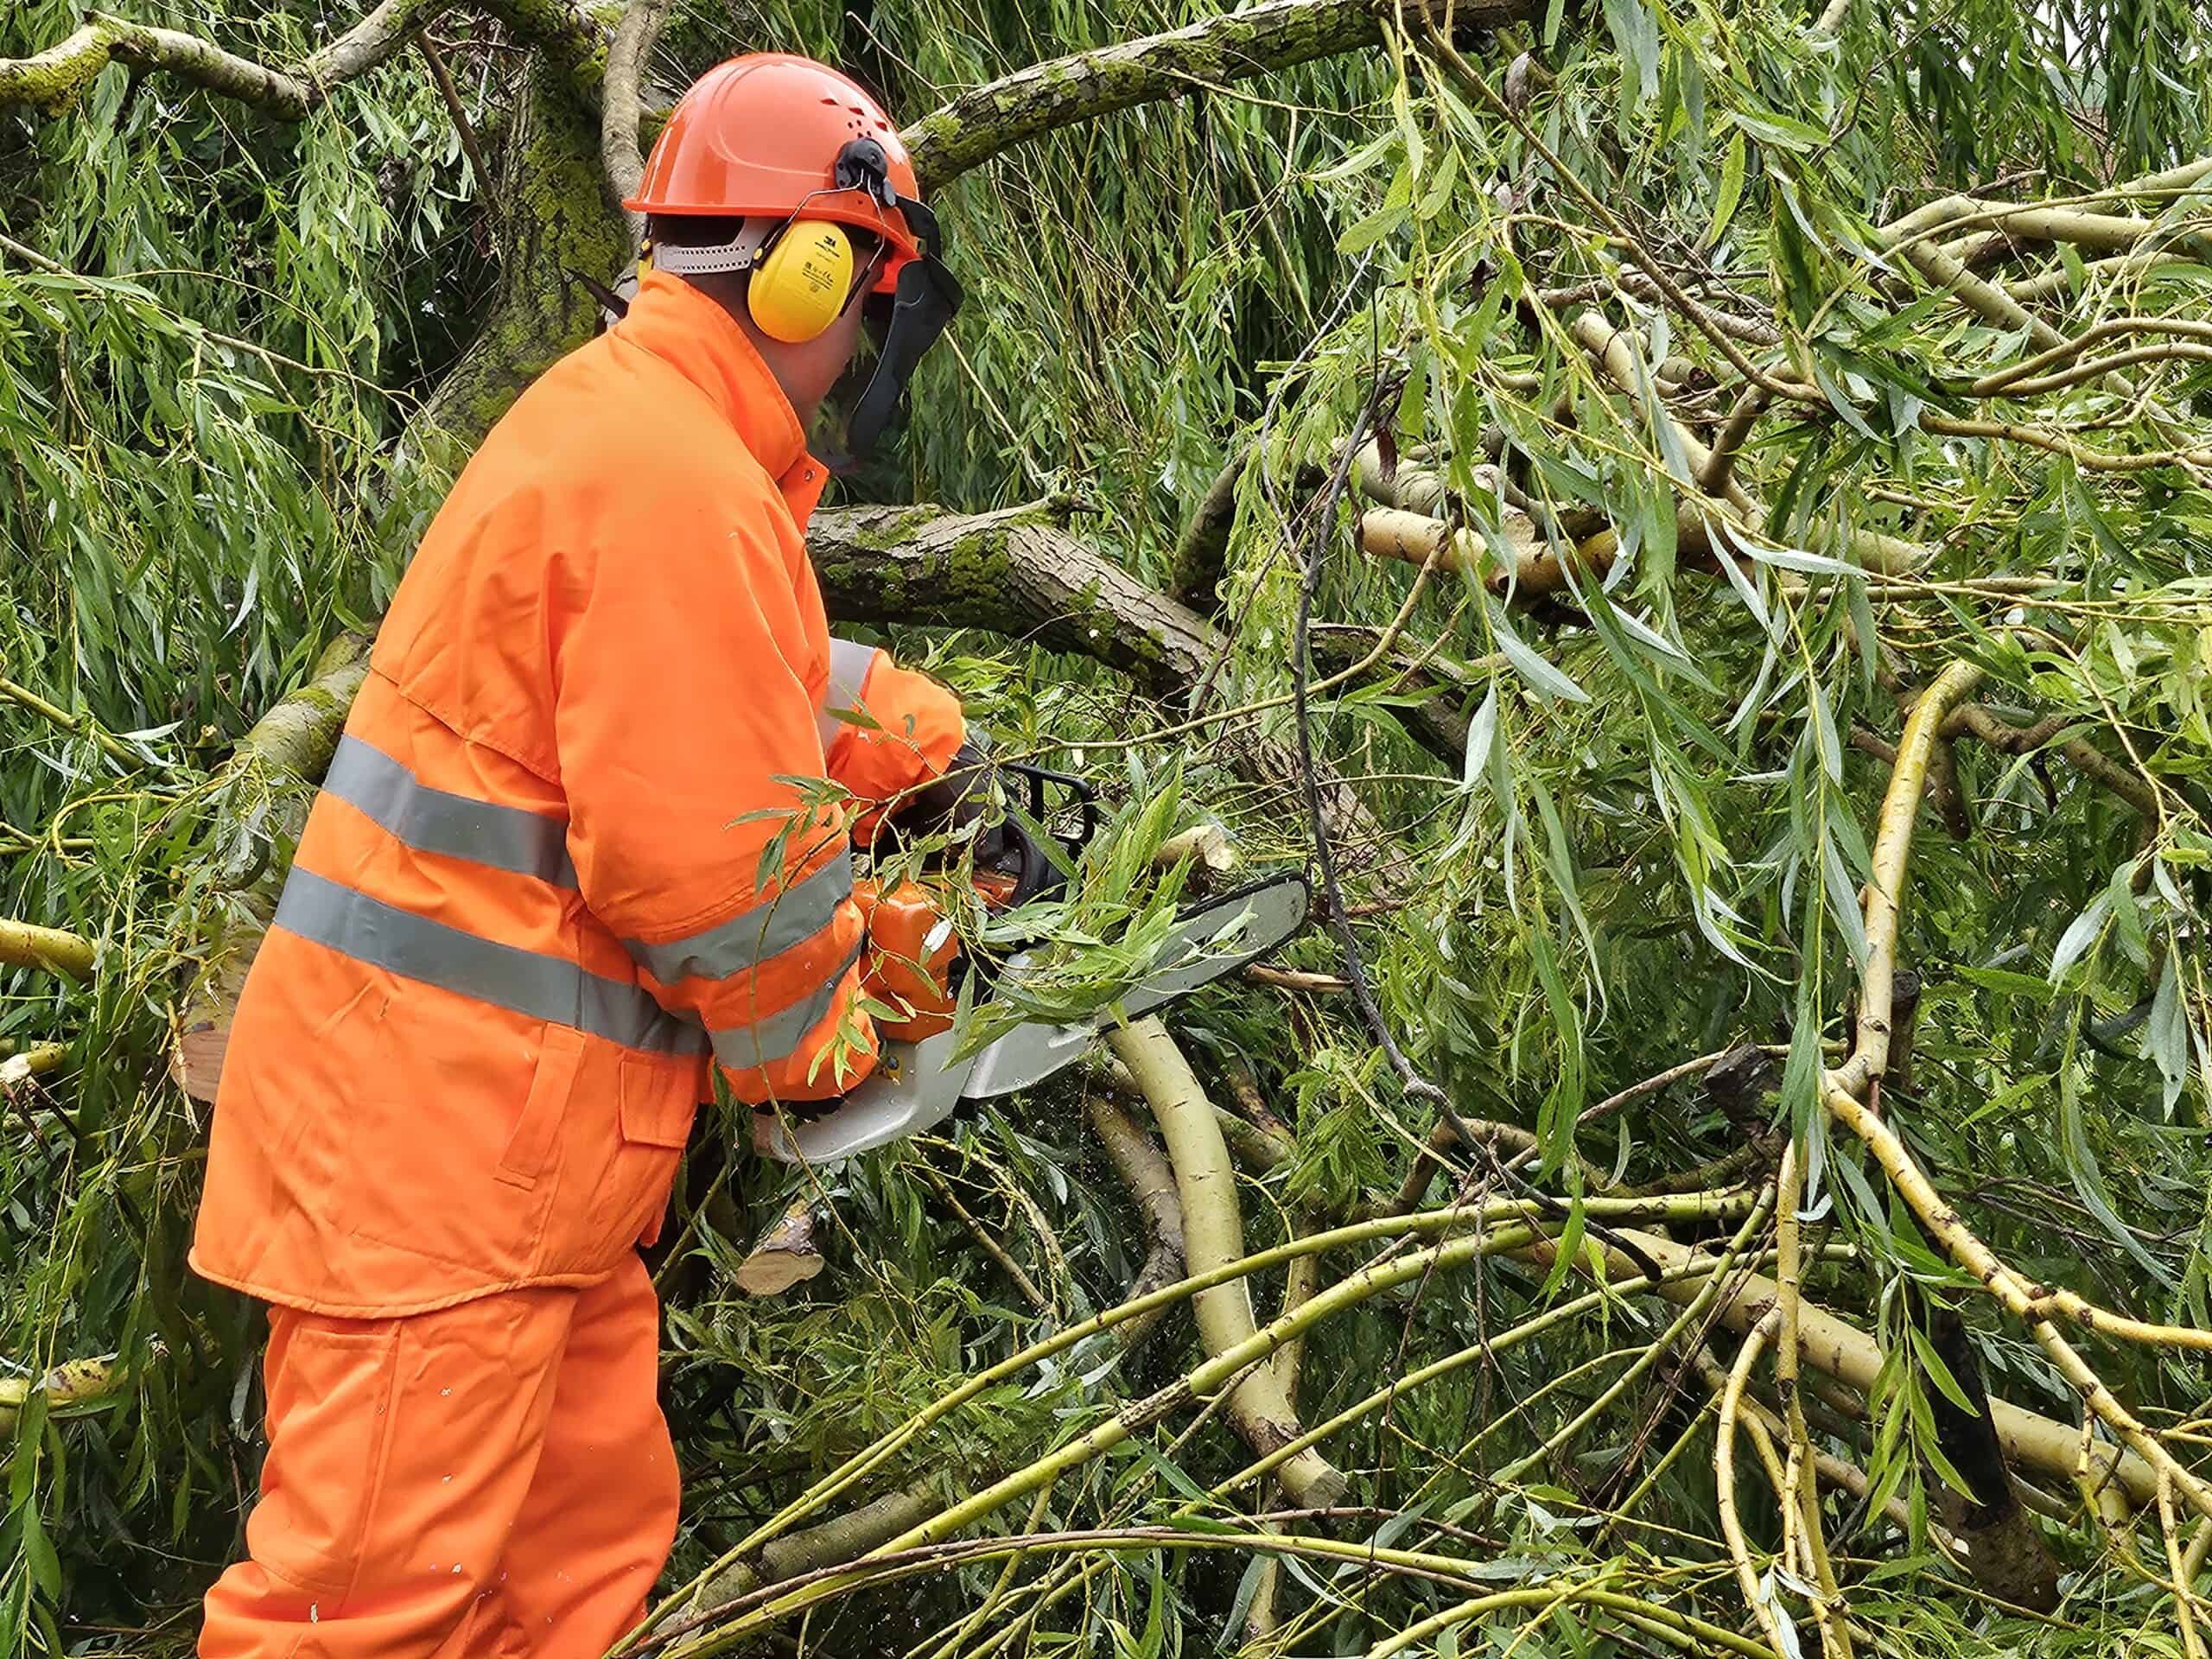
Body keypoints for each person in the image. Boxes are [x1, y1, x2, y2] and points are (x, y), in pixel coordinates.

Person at [194, 53, 974, 1659]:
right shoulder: (670, 475)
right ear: (806, 267)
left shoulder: (649, 442)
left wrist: (904, 738)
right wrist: (855, 1032)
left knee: (571, 1573)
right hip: (433, 1181)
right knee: (362, 1619)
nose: (859, 351)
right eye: (864, 300)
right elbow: (712, 878)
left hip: (521, 1184)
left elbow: (696, 690)